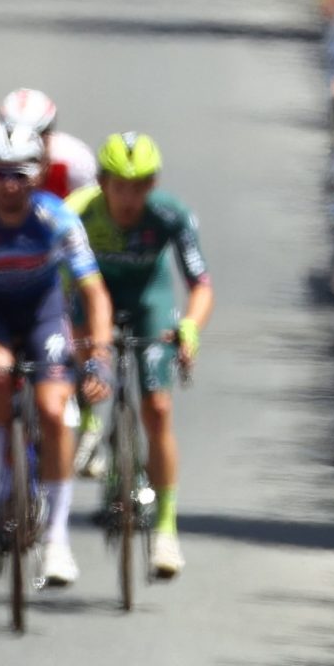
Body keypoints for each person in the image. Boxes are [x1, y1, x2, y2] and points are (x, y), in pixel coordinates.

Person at [0, 122, 113, 587]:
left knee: (52, 407)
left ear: (38, 175)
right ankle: (6, 476)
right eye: (0, 173)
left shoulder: (58, 218)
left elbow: (95, 292)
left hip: (44, 314)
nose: (8, 185)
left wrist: (99, 354)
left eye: (19, 175)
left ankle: (57, 537)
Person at [65, 132, 212, 579]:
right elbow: (59, 284)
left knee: (158, 408)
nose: (130, 197)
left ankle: (166, 529)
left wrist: (188, 327)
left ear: (153, 185)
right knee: (86, 353)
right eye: (121, 186)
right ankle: (89, 421)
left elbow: (201, 285)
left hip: (149, 296)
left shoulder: (170, 215)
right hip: (93, 294)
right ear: (103, 182)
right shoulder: (77, 213)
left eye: (141, 185)